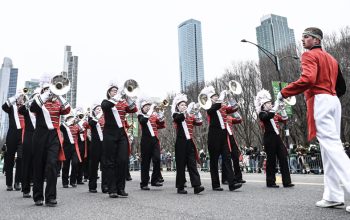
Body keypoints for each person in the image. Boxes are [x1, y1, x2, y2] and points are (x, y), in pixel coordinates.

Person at [280, 27, 350, 212]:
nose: (303, 40)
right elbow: (341, 86)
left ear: (316, 40)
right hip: (333, 100)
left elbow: (308, 79)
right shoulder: (332, 59)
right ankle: (333, 195)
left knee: (333, 148)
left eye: (306, 37)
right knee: (329, 150)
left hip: (320, 99)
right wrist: (330, 95)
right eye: (303, 37)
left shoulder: (309, 55)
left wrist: (284, 92)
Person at [30, 82, 71, 206]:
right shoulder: (39, 102)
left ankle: (51, 197)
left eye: (51, 89)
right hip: (39, 136)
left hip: (53, 137)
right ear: (43, 91)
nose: (51, 91)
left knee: (52, 165)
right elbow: (32, 108)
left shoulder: (58, 103)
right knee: (38, 166)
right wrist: (46, 93)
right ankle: (38, 197)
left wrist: (59, 95)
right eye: (47, 89)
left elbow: (68, 109)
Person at [201, 86, 242, 191]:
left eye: (216, 96)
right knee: (214, 161)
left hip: (224, 136)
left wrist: (231, 98)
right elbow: (212, 110)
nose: (216, 98)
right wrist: (221, 98)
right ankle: (215, 184)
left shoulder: (222, 107)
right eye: (213, 97)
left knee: (227, 159)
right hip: (214, 136)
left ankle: (232, 184)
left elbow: (233, 108)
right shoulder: (209, 107)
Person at [101, 83, 138, 198]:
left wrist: (127, 97)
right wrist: (116, 98)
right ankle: (112, 189)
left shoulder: (122, 103)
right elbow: (106, 106)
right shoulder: (105, 102)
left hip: (121, 134)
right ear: (108, 92)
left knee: (123, 160)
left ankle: (121, 188)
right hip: (109, 134)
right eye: (113, 90)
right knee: (110, 162)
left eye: (116, 90)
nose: (115, 92)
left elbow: (133, 109)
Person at [254, 89, 294, 188]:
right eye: (268, 103)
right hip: (269, 138)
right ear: (263, 105)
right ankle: (270, 182)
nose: (270, 104)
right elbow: (269, 115)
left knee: (283, 158)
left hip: (277, 138)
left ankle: (287, 181)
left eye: (270, 103)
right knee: (271, 160)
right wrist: (276, 105)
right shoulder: (262, 114)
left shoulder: (274, 113)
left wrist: (282, 108)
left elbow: (285, 119)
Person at [171, 93, 204, 194]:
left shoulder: (190, 116)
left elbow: (199, 122)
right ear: (177, 107)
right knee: (181, 165)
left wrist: (197, 111)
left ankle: (196, 185)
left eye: (185, 105)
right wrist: (186, 112)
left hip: (190, 143)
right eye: (181, 105)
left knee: (192, 164)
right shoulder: (176, 115)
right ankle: (180, 187)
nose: (184, 106)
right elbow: (178, 119)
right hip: (180, 143)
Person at [137, 100, 165, 190]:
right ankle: (144, 183)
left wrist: (161, 115)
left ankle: (155, 180)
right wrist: (150, 111)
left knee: (157, 159)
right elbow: (143, 121)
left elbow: (160, 125)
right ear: (142, 108)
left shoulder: (153, 115)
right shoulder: (141, 115)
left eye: (149, 106)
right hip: (146, 141)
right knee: (145, 162)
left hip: (155, 140)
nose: (148, 107)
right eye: (146, 106)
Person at [18, 88, 40, 197]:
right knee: (26, 163)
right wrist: (29, 100)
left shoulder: (42, 111)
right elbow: (20, 110)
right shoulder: (27, 111)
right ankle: (25, 189)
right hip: (28, 138)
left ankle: (37, 190)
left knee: (38, 164)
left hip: (39, 139)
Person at [2, 90, 25, 191]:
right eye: (20, 97)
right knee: (9, 160)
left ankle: (17, 182)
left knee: (20, 159)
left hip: (22, 135)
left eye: (22, 97)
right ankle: (9, 184)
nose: (21, 99)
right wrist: (15, 96)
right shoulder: (11, 108)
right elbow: (4, 106)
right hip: (12, 134)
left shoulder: (26, 108)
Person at [88, 104, 107, 193]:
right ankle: (92, 186)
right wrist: (99, 115)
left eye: (100, 109)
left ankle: (105, 186)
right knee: (93, 166)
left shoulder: (106, 119)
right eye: (97, 109)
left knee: (105, 165)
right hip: (95, 145)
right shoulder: (91, 118)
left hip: (105, 144)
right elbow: (92, 124)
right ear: (94, 111)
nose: (99, 110)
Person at [222, 114, 246, 184]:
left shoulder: (229, 117)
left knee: (236, 158)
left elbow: (239, 120)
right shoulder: (220, 116)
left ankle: (238, 177)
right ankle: (225, 178)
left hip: (232, 138)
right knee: (226, 159)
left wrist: (235, 112)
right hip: (224, 139)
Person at [60, 112, 80, 188]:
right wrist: (69, 122)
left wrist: (78, 121)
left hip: (75, 147)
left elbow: (82, 131)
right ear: (67, 119)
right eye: (70, 118)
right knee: (66, 165)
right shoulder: (65, 127)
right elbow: (61, 126)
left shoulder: (77, 126)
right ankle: (65, 182)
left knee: (75, 163)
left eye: (72, 118)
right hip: (66, 147)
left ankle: (73, 181)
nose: (72, 119)